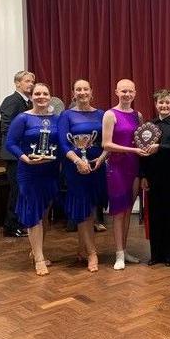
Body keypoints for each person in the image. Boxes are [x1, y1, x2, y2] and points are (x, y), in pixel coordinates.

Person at [5, 83, 59, 275]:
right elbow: (10, 143)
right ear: (32, 96)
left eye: (45, 93)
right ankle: (39, 259)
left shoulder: (56, 119)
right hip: (29, 172)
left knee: (44, 214)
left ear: (50, 96)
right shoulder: (23, 118)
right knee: (33, 212)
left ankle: (37, 251)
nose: (41, 96)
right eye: (37, 93)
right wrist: (25, 157)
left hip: (50, 171)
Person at [57, 79, 108, 272]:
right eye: (78, 89)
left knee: (92, 208)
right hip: (76, 168)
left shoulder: (102, 114)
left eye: (86, 89)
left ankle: (82, 249)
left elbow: (107, 141)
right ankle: (92, 253)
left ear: (91, 92)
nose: (82, 92)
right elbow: (63, 143)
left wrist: (102, 158)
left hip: (96, 166)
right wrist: (78, 162)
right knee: (83, 208)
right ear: (73, 93)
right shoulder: (66, 115)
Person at [102, 79, 149, 270]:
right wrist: (133, 151)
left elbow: (142, 140)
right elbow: (106, 144)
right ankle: (118, 254)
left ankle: (125, 251)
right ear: (116, 92)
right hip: (117, 168)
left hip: (134, 167)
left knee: (129, 210)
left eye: (130, 91)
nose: (127, 94)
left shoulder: (138, 115)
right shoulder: (110, 114)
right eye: (123, 91)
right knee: (119, 212)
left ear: (135, 93)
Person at [140, 89, 170, 267]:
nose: (164, 105)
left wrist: (160, 147)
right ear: (156, 104)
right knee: (154, 216)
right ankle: (156, 254)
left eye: (167, 102)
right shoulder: (148, 125)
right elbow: (143, 153)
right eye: (161, 102)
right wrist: (143, 176)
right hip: (152, 177)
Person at [0, 70, 35, 238]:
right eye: (27, 81)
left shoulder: (29, 103)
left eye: (32, 81)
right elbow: (7, 128)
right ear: (17, 83)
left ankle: (20, 223)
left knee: (23, 190)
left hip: (24, 153)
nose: (31, 84)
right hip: (14, 154)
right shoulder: (12, 101)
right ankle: (11, 226)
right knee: (17, 190)